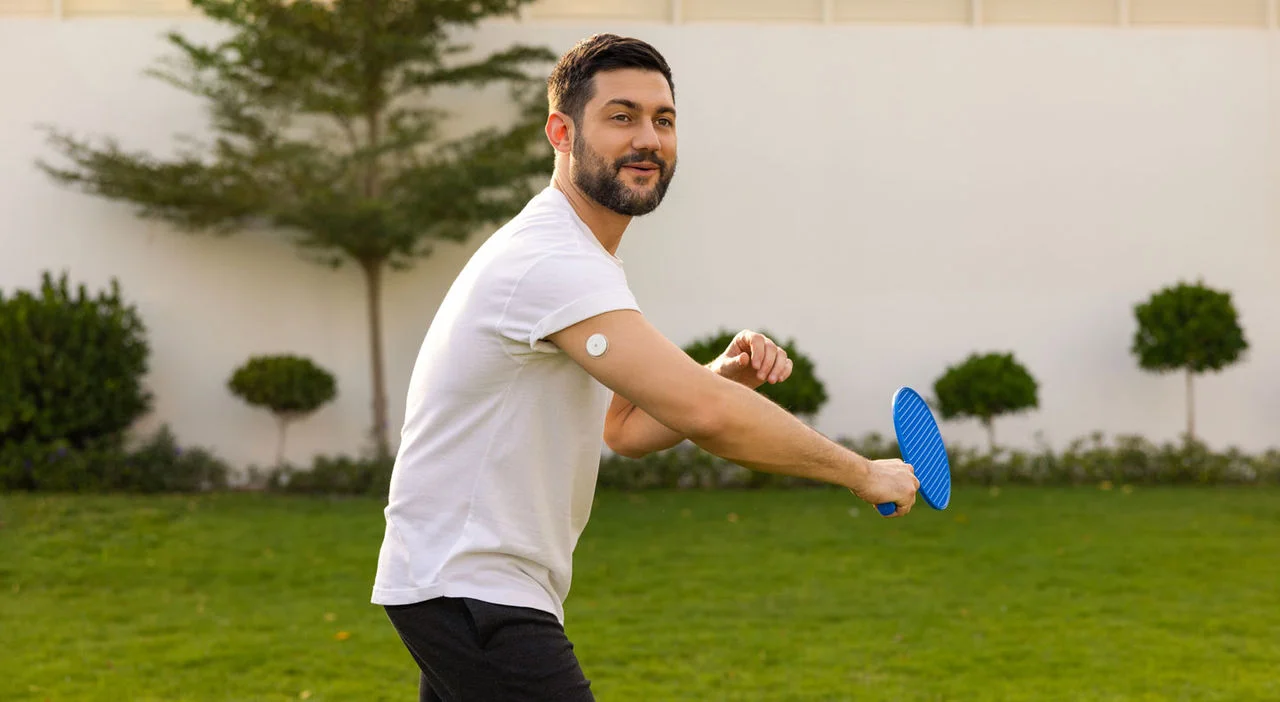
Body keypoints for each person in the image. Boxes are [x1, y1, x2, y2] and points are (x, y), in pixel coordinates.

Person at [371, 33, 920, 702]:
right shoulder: (552, 262)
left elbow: (624, 429)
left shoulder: (579, 260)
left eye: (664, 120)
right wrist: (866, 473)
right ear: (561, 132)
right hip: (473, 587)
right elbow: (706, 417)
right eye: (621, 116)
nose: (649, 139)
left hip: (462, 584)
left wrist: (719, 374)